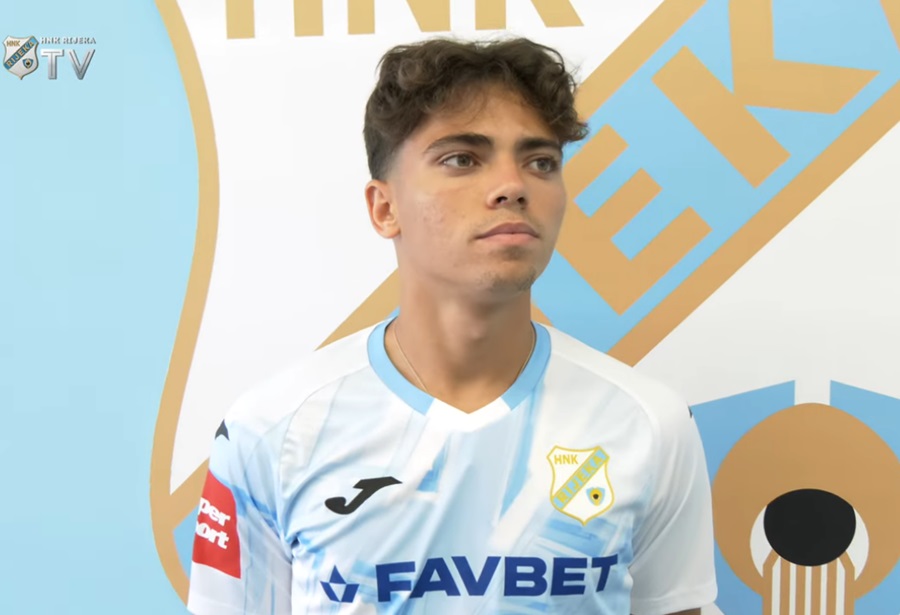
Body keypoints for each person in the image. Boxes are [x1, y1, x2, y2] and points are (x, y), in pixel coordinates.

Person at [187, 36, 716, 615]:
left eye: (541, 162)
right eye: (462, 159)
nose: (513, 186)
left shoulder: (647, 423)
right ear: (384, 208)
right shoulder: (272, 430)